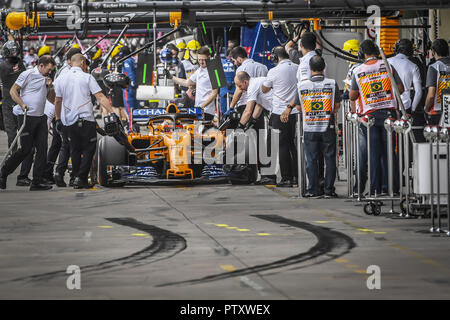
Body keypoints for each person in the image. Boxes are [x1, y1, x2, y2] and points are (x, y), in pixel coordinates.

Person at [349, 39, 404, 195]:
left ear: (362, 54)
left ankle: (375, 189)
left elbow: (352, 95)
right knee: (389, 152)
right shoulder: (387, 66)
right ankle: (392, 188)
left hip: (369, 116)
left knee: (374, 153)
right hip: (389, 114)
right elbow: (400, 88)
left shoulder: (358, 71)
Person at [54, 53, 116, 189]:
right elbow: (100, 96)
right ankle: (81, 177)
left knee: (74, 149)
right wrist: (112, 112)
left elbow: (57, 101)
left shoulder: (60, 79)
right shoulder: (87, 77)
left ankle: (76, 179)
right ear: (82, 62)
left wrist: (58, 119)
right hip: (86, 119)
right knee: (89, 148)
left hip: (69, 121)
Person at [0, 55, 56, 191]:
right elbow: (13, 91)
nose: (50, 72)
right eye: (48, 69)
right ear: (41, 65)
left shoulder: (45, 78)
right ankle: (3, 173)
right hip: (26, 116)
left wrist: (51, 87)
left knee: (42, 150)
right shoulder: (28, 73)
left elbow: (49, 98)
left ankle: (37, 181)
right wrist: (22, 104)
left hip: (40, 117)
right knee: (26, 149)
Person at [297, 56, 341, 198]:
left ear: (310, 69)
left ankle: (313, 189)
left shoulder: (302, 85)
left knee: (311, 160)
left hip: (309, 128)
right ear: (324, 68)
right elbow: (337, 106)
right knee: (329, 158)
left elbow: (298, 107)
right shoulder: (332, 83)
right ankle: (328, 190)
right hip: (327, 126)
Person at [262, 46, 299, 187]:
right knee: (293, 145)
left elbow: (264, 89)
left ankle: (286, 178)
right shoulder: (297, 67)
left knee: (281, 145)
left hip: (279, 113)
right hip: (295, 111)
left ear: (275, 58)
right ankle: (296, 176)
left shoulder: (273, 71)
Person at [0, 41, 34, 186]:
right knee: (12, 135)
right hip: (7, 103)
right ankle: (11, 160)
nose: (14, 53)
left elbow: (26, 78)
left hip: (21, 102)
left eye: (16, 51)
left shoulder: (21, 64)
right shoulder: (1, 65)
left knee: (26, 137)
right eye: (12, 51)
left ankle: (21, 173)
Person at [234, 71, 276, 185]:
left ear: (246, 81)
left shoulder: (252, 86)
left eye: (240, 86)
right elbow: (260, 104)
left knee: (269, 145)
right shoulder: (257, 82)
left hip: (278, 111)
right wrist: (252, 121)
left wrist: (240, 127)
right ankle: (271, 176)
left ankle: (269, 176)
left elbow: (247, 111)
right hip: (276, 111)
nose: (240, 89)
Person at [52, 46, 82, 187]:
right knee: (73, 146)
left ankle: (59, 173)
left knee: (65, 145)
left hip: (60, 113)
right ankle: (73, 176)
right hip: (68, 113)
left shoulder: (62, 71)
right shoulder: (69, 73)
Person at [168, 46, 219, 121]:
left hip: (207, 111)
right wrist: (171, 77)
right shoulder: (199, 70)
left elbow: (214, 93)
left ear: (209, 57)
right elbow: (187, 82)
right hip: (197, 109)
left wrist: (202, 106)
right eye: (199, 59)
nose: (201, 62)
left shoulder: (213, 70)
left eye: (203, 60)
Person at [388, 39, 422, 115]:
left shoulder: (386, 62)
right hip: (405, 107)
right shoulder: (413, 66)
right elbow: (418, 92)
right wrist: (412, 109)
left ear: (396, 49)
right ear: (411, 51)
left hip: (388, 106)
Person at [229, 46, 268, 112]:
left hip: (245, 105)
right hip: (260, 106)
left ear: (239, 59)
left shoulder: (240, 69)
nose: (234, 63)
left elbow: (239, 90)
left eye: (234, 61)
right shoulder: (263, 67)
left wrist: (231, 107)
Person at [424, 39, 450, 125]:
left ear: (433, 51)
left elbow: (431, 95)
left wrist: (426, 109)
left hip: (439, 111)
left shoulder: (434, 67)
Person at [220, 49, 236, 114]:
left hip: (223, 87)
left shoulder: (221, 61)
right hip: (234, 86)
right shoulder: (235, 62)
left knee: (224, 110)